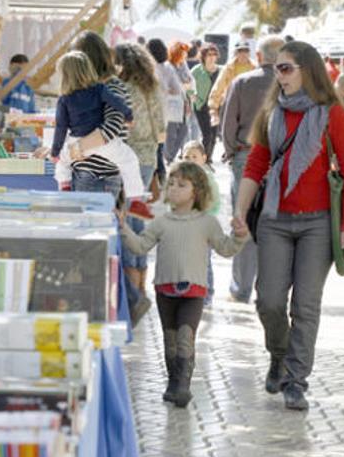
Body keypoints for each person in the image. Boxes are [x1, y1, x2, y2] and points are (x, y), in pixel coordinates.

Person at [233, 40, 344, 411]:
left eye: (286, 68)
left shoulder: (331, 113)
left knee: (306, 305)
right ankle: (279, 353)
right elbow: (255, 165)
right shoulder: (272, 111)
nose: (280, 75)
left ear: (308, 70)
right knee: (269, 301)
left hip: (318, 224)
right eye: (277, 68)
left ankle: (295, 379)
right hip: (274, 219)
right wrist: (240, 212)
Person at [120, 161, 249, 408]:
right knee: (169, 339)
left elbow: (226, 248)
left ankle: (183, 386)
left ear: (197, 191)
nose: (174, 189)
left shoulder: (207, 223)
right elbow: (140, 246)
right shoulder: (161, 222)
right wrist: (124, 227)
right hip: (165, 291)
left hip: (194, 291)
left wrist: (239, 235)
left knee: (185, 337)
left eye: (182, 185)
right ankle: (172, 382)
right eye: (171, 184)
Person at [220, 35, 285, 304]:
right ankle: (269, 289)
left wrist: (232, 150)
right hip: (279, 159)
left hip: (245, 157)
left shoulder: (242, 82)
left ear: (259, 56)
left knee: (242, 219)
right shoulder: (288, 83)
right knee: (273, 222)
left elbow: (227, 125)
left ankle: (241, 287)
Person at [50, 51, 147, 206]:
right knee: (129, 160)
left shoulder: (64, 100)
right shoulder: (99, 89)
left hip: (77, 140)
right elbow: (117, 103)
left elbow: (60, 128)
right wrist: (128, 116)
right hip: (101, 141)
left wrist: (55, 152)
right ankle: (135, 199)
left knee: (62, 162)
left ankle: (65, 185)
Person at [115, 43, 166, 316]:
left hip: (126, 160)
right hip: (147, 160)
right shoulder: (152, 88)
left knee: (126, 221)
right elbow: (162, 130)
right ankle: (141, 288)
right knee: (138, 220)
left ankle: (132, 295)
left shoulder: (121, 89)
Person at [181, 141, 221, 306]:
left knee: (204, 261)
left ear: (204, 159)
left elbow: (214, 203)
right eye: (186, 157)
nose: (190, 160)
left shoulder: (207, 180)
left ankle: (207, 294)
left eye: (194, 157)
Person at [148, 39, 186, 167]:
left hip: (147, 114)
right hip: (163, 113)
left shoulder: (146, 68)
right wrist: (165, 91)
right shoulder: (167, 68)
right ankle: (161, 175)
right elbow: (177, 90)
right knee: (159, 148)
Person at [208, 41, 256, 127]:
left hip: (249, 106)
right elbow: (219, 86)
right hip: (231, 104)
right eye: (240, 51)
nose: (243, 54)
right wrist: (213, 108)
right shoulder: (228, 68)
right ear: (236, 53)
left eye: (246, 51)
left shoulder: (255, 67)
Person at [191, 43, 222, 163]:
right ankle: (204, 159)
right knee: (207, 135)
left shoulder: (221, 70)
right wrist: (193, 97)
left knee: (214, 136)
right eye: (209, 54)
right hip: (201, 106)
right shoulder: (197, 71)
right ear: (203, 56)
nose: (212, 57)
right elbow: (187, 85)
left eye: (214, 54)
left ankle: (208, 158)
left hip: (216, 106)